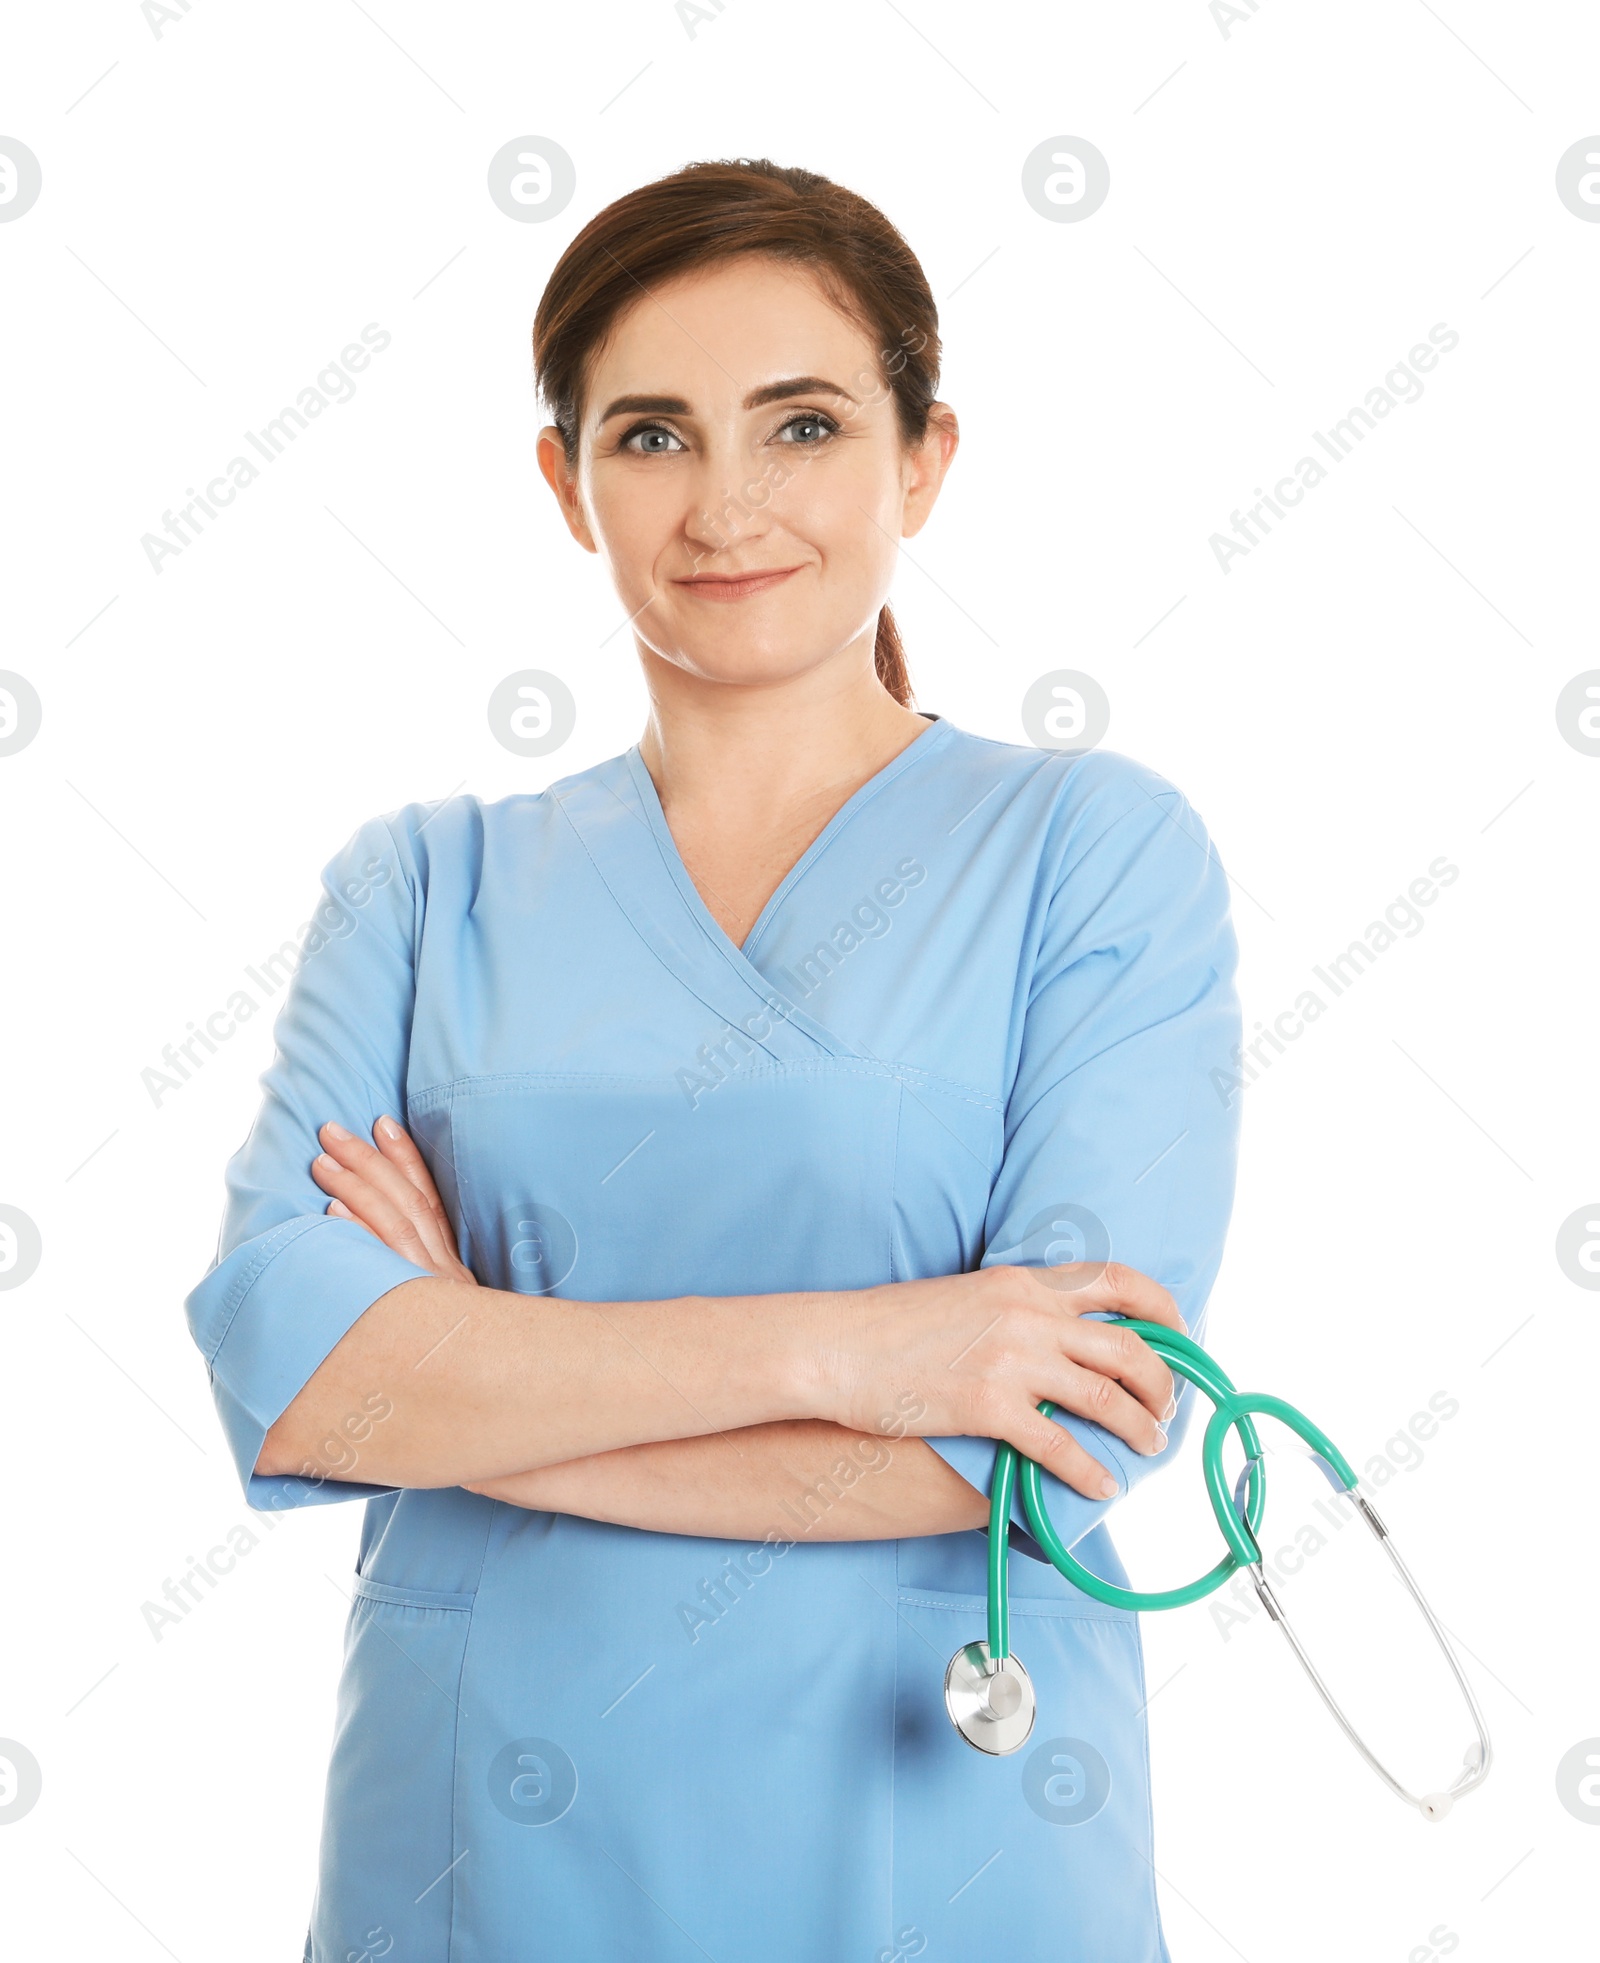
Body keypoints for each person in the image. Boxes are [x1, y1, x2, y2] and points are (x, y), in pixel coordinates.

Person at [184, 157, 1242, 1962]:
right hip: (483, 1844)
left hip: (941, 1837)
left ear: (924, 459)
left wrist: (478, 1400)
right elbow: (299, 1387)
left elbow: (1052, 1434)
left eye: (806, 424)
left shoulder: (1096, 851)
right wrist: (873, 1346)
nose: (729, 501)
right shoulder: (424, 883)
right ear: (566, 483)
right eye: (654, 434)